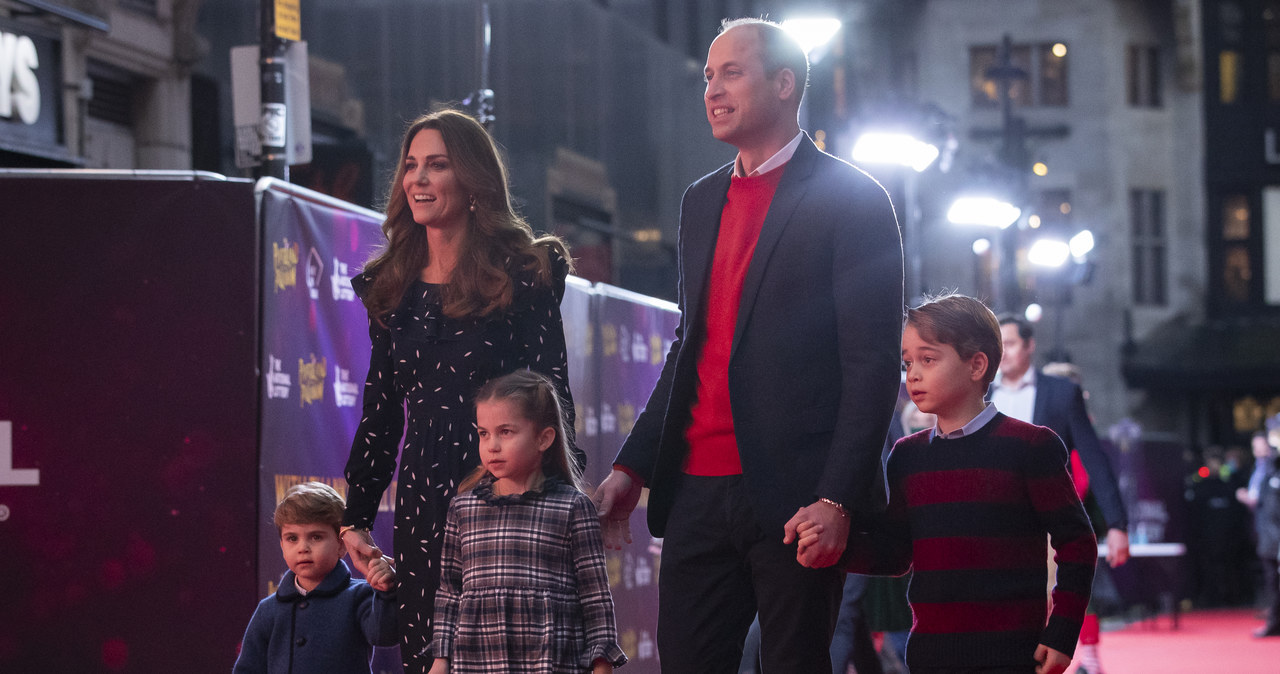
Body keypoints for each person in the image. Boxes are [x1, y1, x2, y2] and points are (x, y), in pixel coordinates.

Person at [592, 16, 903, 673]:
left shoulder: (856, 198)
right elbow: (691, 344)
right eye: (707, 75)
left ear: (785, 84)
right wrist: (632, 468)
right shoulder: (701, 200)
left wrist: (838, 497)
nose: (712, 89)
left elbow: (872, 364)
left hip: (798, 498)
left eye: (732, 72)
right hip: (696, 493)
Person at [339, 108, 578, 673]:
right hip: (424, 500)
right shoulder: (390, 287)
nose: (418, 179)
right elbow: (380, 414)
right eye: (411, 166)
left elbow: (555, 398)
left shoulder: (524, 274)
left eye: (437, 166)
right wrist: (355, 519)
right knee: (434, 659)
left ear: (472, 181)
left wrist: (561, 503)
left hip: (508, 495)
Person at [799, 293, 1097, 674]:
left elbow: (1077, 544)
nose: (913, 375)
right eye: (907, 363)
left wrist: (1062, 632)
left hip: (1012, 654)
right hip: (929, 656)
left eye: (928, 359)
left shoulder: (1031, 446)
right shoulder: (908, 456)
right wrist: (832, 546)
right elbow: (896, 553)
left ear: (976, 365)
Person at [428, 371, 626, 673]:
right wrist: (441, 660)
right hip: (477, 663)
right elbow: (449, 592)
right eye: (483, 433)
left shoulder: (572, 507)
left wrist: (601, 664)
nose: (491, 445)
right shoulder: (463, 508)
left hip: (551, 662)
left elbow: (595, 597)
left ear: (543, 438)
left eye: (505, 432)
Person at [991, 316, 1128, 674]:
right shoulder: (981, 393)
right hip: (989, 521)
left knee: (1047, 604)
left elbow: (1094, 458)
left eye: (1012, 344)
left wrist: (1117, 523)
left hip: (1046, 521)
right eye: (999, 345)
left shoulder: (1061, 393)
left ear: (1030, 345)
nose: (1004, 354)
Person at [234, 482, 398, 674]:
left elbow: (384, 636)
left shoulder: (359, 595)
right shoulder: (267, 609)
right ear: (281, 545)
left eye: (316, 537)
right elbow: (247, 669)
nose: (303, 548)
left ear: (342, 545)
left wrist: (386, 592)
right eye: (292, 538)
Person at [1237, 429, 1280, 637]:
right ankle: (1274, 620)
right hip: (1266, 532)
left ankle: (1274, 620)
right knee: (1271, 579)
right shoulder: (1260, 470)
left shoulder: (1272, 469)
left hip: (1274, 534)